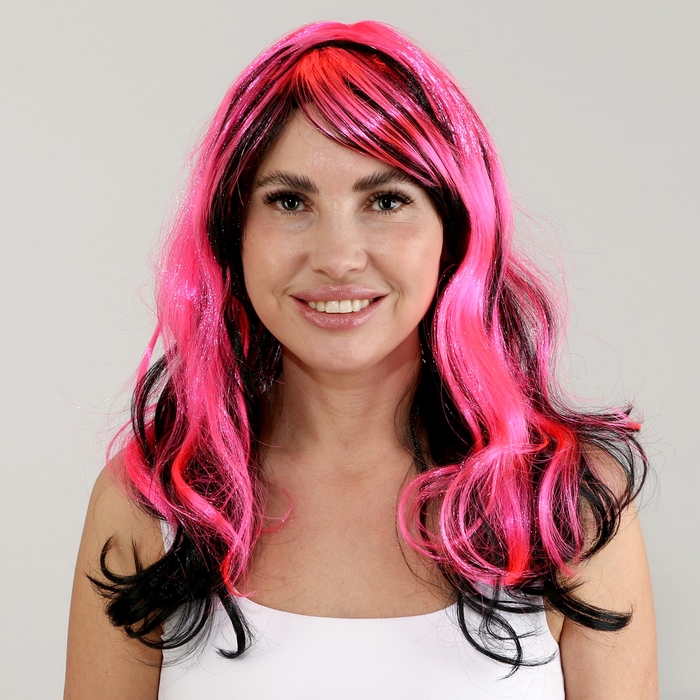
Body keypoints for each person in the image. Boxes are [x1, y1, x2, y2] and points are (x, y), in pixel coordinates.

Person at [64, 20, 657, 699]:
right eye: (290, 201)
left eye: (386, 200)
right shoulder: (149, 507)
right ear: (234, 233)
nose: (338, 257)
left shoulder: (568, 507)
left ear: (455, 232)